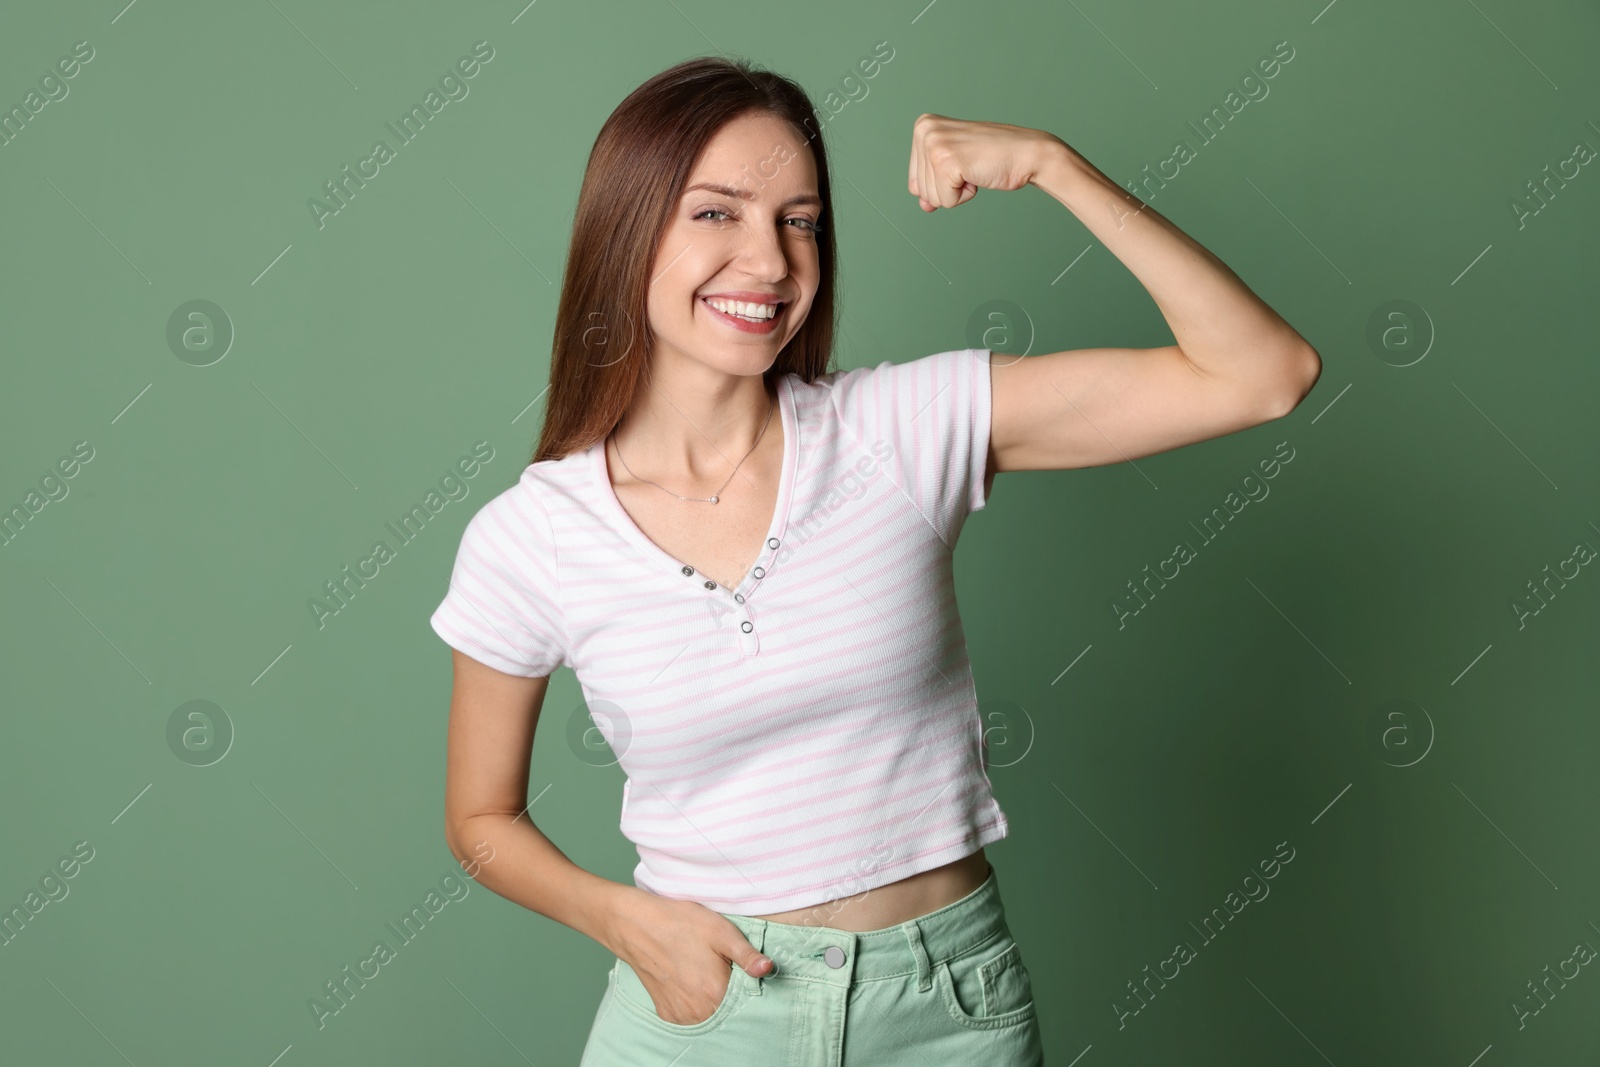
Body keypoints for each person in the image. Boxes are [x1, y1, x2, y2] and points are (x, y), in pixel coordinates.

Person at [430, 55, 1319, 1066]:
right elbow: (480, 817)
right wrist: (625, 922)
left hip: (947, 1009)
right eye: (716, 213)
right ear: (626, 231)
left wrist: (1054, 166)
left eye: (798, 220)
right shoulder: (531, 533)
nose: (768, 261)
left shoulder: (899, 430)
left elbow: (1262, 373)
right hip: (700, 1009)